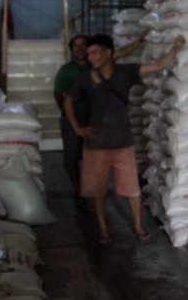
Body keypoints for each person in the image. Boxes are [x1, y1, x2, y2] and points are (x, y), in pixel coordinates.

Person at [64, 33, 185, 245]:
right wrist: (77, 128)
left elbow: (157, 66)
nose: (90, 57)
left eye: (94, 52)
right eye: (89, 53)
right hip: (96, 144)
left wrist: (175, 48)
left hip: (123, 142)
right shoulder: (84, 79)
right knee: (97, 190)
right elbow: (68, 101)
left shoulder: (126, 72)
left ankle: (138, 226)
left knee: (132, 188)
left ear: (108, 53)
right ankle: (103, 228)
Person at [53, 32, 147, 205]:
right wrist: (70, 116)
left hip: (96, 123)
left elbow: (123, 51)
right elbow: (60, 96)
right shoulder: (67, 70)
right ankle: (78, 190)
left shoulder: (99, 62)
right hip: (76, 121)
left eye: (84, 45)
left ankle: (92, 194)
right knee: (72, 157)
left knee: (95, 163)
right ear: (72, 49)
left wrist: (140, 39)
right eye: (76, 45)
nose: (81, 49)